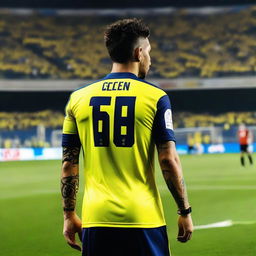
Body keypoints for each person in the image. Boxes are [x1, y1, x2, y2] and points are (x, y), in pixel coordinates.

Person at [61, 18, 193, 256]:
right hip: (143, 218)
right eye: (149, 52)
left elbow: (69, 164)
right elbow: (168, 160)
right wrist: (184, 211)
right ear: (138, 52)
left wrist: (69, 215)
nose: (150, 60)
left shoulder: (78, 99)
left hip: (96, 219)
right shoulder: (156, 97)